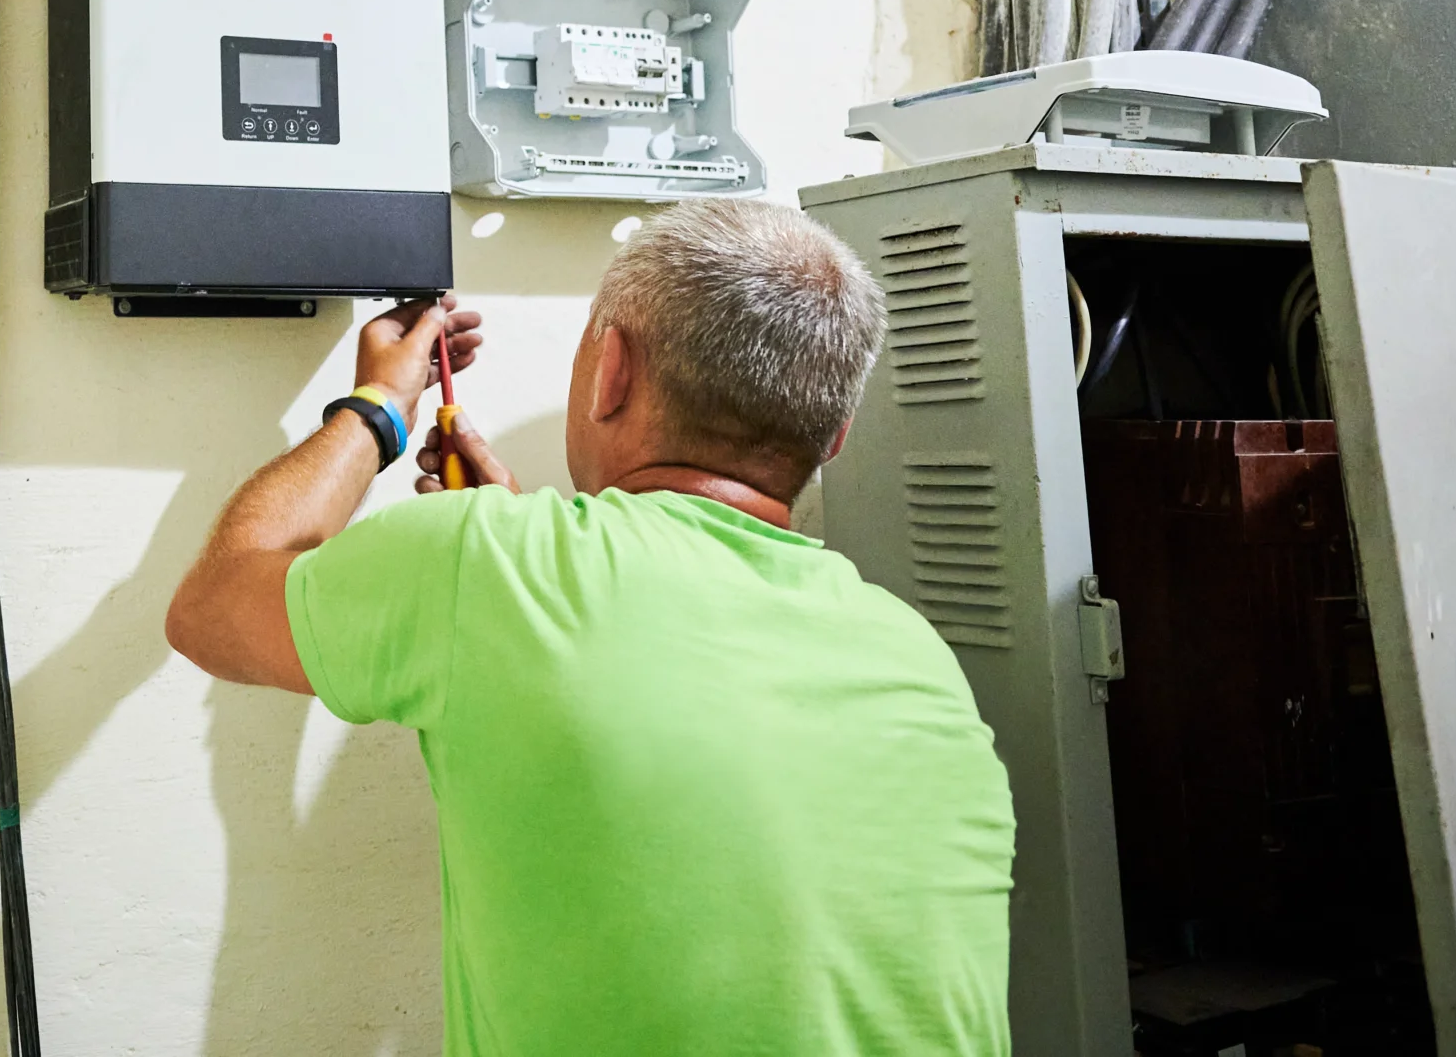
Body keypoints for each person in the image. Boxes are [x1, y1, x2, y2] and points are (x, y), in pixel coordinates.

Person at [165, 198, 1015, 1055]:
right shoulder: (917, 655)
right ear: (835, 435)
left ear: (611, 369)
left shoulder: (488, 568)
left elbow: (211, 608)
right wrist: (509, 546)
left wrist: (380, 405)